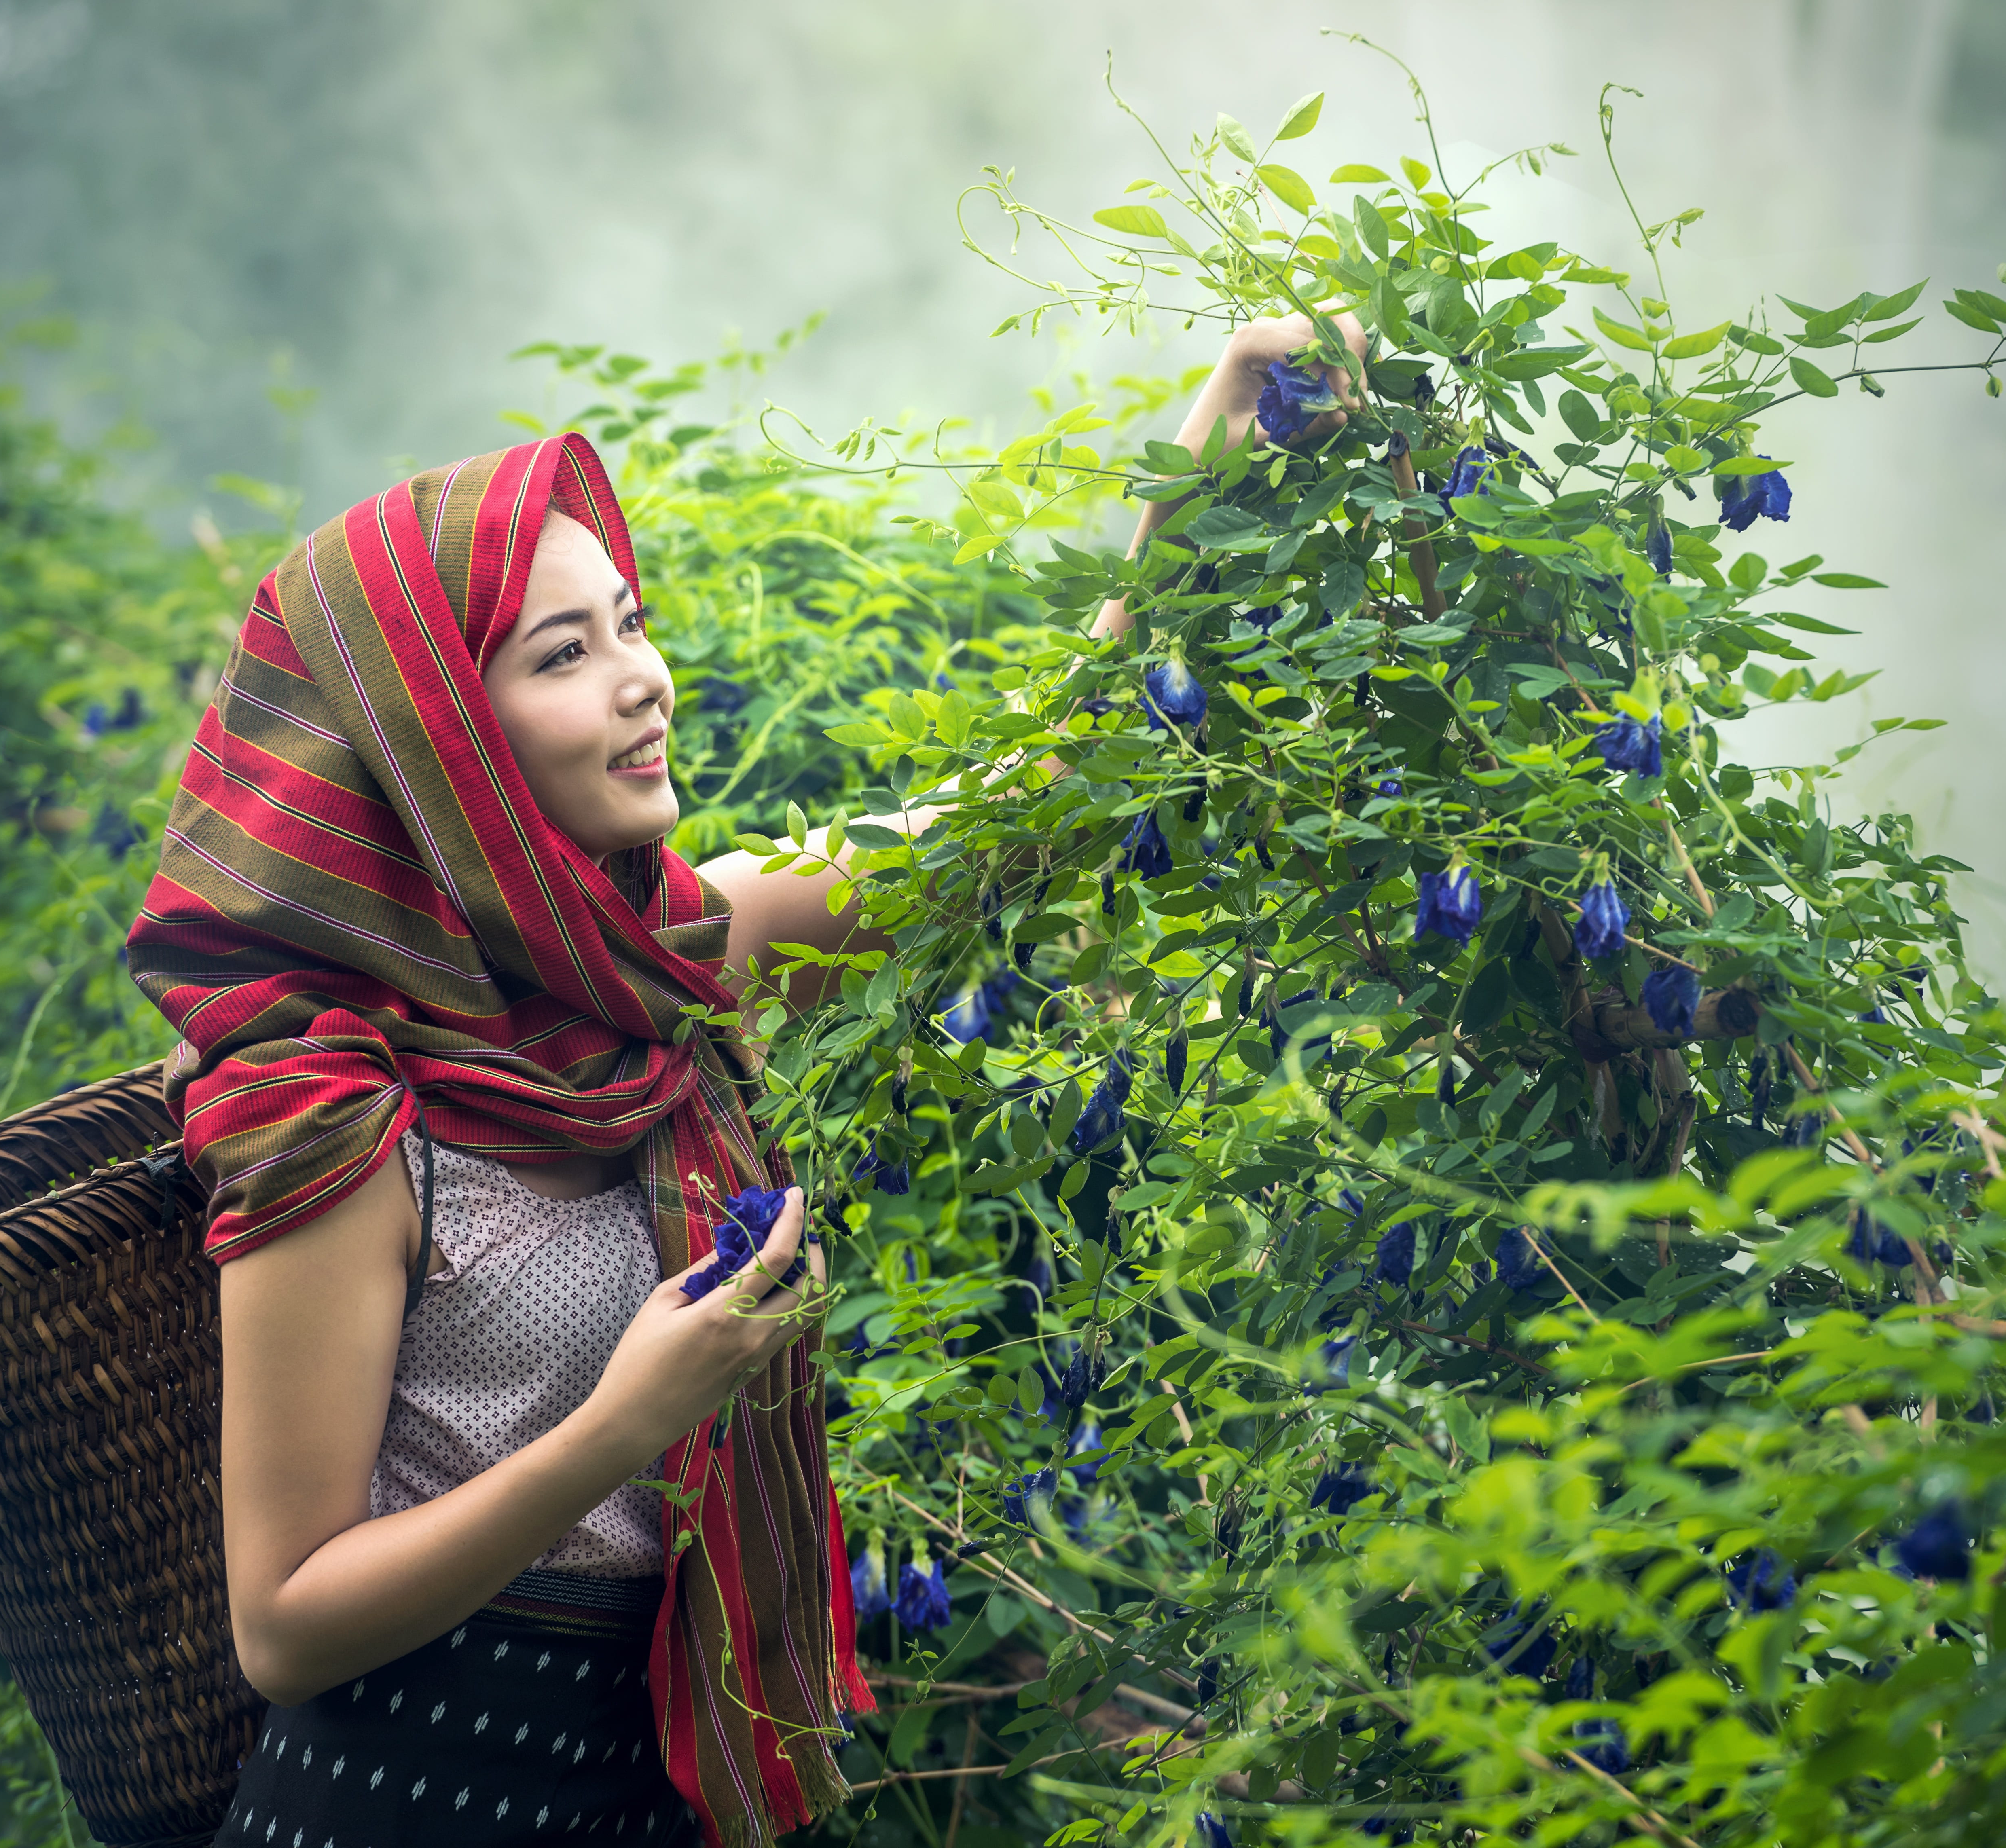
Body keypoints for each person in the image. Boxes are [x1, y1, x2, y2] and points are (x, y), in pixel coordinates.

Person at [119, 311, 1356, 1847]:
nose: (642, 679)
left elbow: (1037, 801)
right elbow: (286, 1622)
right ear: (440, 744)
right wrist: (618, 1431)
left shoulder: (671, 955)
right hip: (411, 1793)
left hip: (645, 1784)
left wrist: (1221, 442)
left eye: (630, 623)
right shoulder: (334, 1104)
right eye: (565, 653)